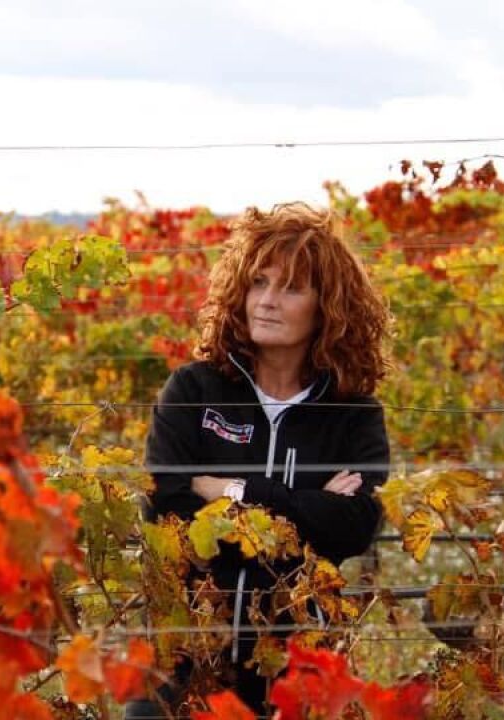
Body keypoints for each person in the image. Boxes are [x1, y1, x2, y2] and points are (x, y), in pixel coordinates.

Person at [125, 202, 393, 718]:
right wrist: (307, 512)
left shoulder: (353, 414)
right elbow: (167, 511)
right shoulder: (193, 390)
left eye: (291, 288)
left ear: (327, 306)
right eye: (258, 283)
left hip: (298, 670)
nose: (267, 301)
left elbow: (356, 526)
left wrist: (233, 491)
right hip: (187, 659)